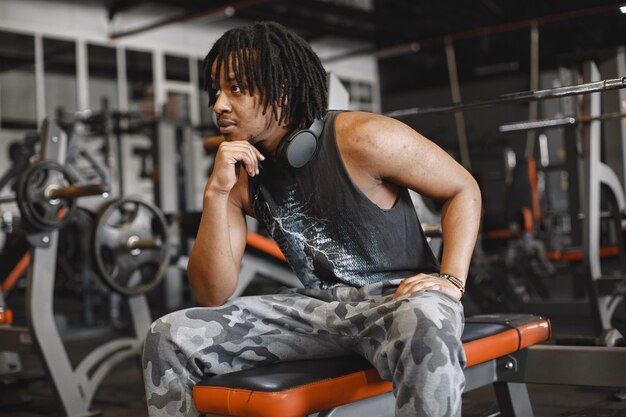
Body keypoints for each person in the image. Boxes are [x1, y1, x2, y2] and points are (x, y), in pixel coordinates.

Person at [143, 21, 481, 417]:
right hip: (316, 312)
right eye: (215, 91)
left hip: (399, 302)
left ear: (281, 90)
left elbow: (463, 189)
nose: (218, 104)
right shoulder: (239, 177)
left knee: (425, 319)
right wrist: (216, 194)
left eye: (235, 89)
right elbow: (211, 294)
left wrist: (451, 279)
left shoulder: (365, 137)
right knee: (168, 335)